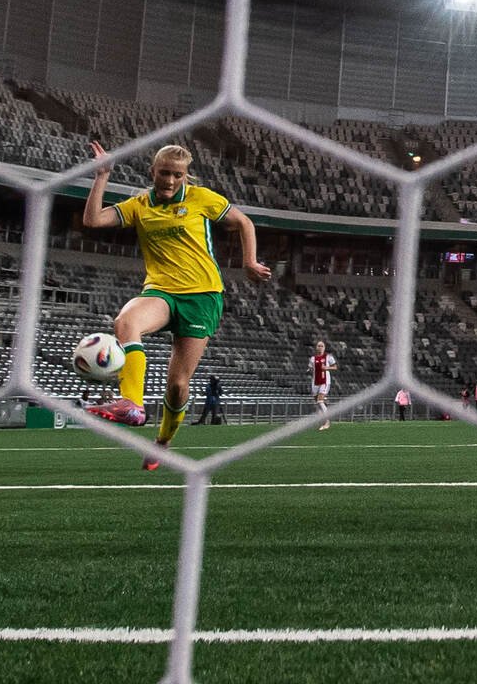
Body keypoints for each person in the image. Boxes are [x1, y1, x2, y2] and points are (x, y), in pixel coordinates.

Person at [80, 141, 271, 470]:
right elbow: (93, 220)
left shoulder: (201, 198)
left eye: (177, 175)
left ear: (186, 176)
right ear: (152, 171)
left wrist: (249, 262)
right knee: (126, 321)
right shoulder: (140, 205)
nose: (170, 180)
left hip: (202, 296)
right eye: (164, 173)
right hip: (161, 292)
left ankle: (163, 441)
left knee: (178, 385)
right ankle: (132, 404)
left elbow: (244, 223)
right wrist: (102, 176)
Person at [309, 340, 337, 431]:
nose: (320, 347)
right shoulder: (312, 358)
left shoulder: (328, 357)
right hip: (315, 381)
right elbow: (311, 368)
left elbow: (335, 367)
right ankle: (322, 420)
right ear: (316, 347)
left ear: (324, 348)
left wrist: (327, 368)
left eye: (322, 346)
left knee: (320, 401)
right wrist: (309, 370)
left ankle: (327, 421)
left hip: (325, 381)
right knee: (317, 403)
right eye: (319, 346)